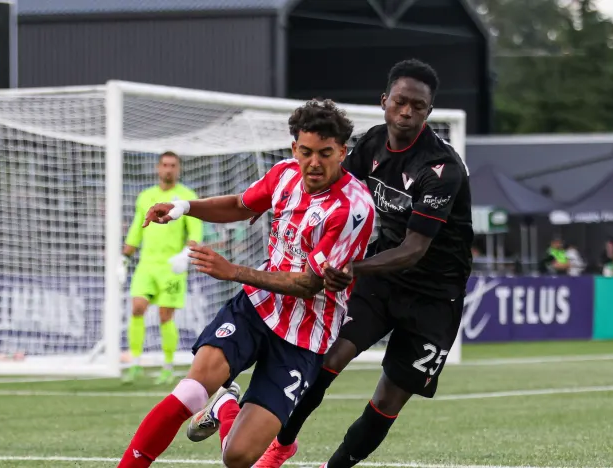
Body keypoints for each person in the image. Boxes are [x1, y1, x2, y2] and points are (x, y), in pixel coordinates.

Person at [116, 99, 376, 468]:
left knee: (237, 458)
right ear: (293, 149)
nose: (313, 162)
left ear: (342, 152)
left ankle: (224, 406)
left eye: (325, 153)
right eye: (305, 152)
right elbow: (242, 204)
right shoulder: (285, 174)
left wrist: (234, 271)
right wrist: (186, 208)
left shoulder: (352, 208)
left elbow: (308, 284)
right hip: (257, 307)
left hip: (305, 333)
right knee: (191, 391)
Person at [254, 58, 473, 468]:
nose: (407, 112)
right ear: (385, 100)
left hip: (435, 296)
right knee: (328, 358)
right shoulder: (371, 144)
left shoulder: (443, 169)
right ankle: (281, 445)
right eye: (401, 102)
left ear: (429, 111)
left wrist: (352, 268)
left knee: (389, 398)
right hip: (380, 280)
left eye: (419, 107)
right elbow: (330, 190)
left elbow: (414, 249)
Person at [122, 151, 203, 385]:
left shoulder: (186, 197)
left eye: (173, 165)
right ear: (158, 168)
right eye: (165, 165)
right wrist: (124, 258)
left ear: (178, 169)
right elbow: (137, 228)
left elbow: (195, 231)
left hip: (171, 266)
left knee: (165, 315)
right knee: (137, 307)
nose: (168, 169)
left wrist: (185, 255)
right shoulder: (146, 196)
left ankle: (168, 366)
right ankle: (135, 363)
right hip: (147, 264)